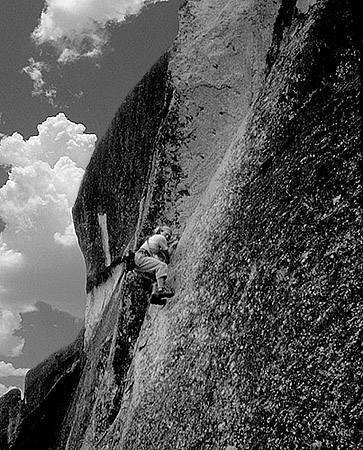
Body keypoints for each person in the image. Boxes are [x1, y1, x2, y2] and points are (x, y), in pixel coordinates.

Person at [134, 225, 178, 304]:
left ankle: (155, 297)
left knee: (156, 277)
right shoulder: (161, 238)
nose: (167, 236)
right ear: (161, 231)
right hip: (141, 257)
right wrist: (168, 259)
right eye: (166, 233)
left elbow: (160, 254)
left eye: (169, 236)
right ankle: (161, 290)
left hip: (137, 262)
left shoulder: (153, 239)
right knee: (162, 266)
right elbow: (166, 252)